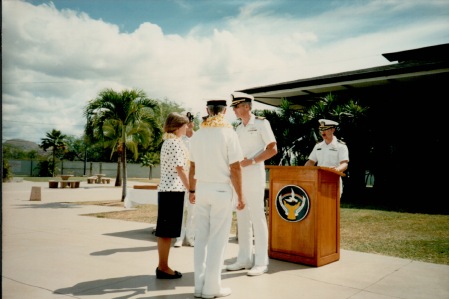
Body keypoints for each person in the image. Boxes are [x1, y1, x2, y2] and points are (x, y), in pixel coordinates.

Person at [188, 99, 245, 299]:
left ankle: (199, 286)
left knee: (201, 238)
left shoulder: (197, 135)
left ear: (207, 111)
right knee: (218, 239)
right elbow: (235, 168)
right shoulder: (229, 133)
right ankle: (212, 288)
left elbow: (192, 167)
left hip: (202, 188)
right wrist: (240, 195)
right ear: (225, 111)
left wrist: (192, 191)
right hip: (221, 190)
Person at [226, 91, 277, 277]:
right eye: (233, 107)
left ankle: (261, 261)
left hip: (254, 173)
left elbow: (273, 149)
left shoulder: (262, 123)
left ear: (247, 106)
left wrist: (253, 161)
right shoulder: (238, 128)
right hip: (239, 176)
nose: (234, 110)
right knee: (242, 215)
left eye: (237, 106)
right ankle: (244, 259)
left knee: (257, 216)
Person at [155, 112, 190, 279]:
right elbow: (180, 169)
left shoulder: (169, 141)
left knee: (166, 232)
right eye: (185, 125)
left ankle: (163, 266)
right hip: (172, 190)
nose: (187, 128)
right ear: (177, 127)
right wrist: (191, 189)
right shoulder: (175, 143)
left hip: (168, 190)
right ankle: (163, 267)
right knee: (166, 232)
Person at [304, 119, 349, 195]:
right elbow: (311, 161)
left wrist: (337, 169)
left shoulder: (341, 146)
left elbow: (344, 164)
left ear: (333, 130)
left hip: (333, 180)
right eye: (321, 129)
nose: (323, 132)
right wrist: (303, 171)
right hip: (319, 180)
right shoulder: (318, 146)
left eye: (325, 129)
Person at [174, 112, 196, 247]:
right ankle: (179, 237)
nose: (188, 125)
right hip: (180, 177)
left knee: (193, 209)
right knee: (180, 208)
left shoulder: (199, 137)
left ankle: (191, 236)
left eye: (190, 121)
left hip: (194, 177)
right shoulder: (178, 139)